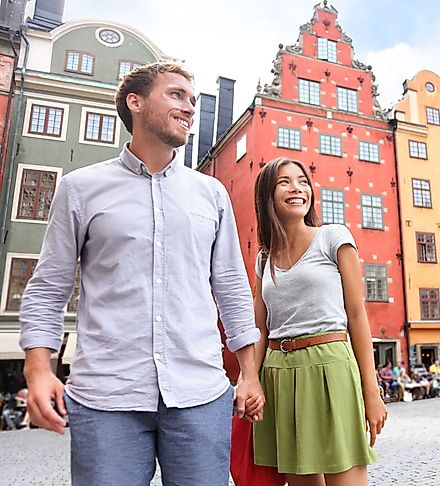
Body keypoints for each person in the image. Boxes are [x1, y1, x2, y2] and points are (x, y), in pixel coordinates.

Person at [19, 62, 264, 485]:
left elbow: (231, 288)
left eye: (192, 99)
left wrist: (249, 373)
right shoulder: (80, 188)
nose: (189, 107)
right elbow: (48, 286)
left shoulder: (211, 194)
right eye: (175, 95)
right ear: (136, 103)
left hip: (199, 394)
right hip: (106, 395)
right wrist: (38, 369)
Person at [251, 157, 387, 485]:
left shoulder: (333, 238)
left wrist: (372, 390)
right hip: (279, 375)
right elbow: (260, 328)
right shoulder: (264, 258)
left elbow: (357, 316)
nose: (296, 187)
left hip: (331, 366)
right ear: (267, 196)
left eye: (302, 180)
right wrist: (250, 380)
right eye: (284, 182)